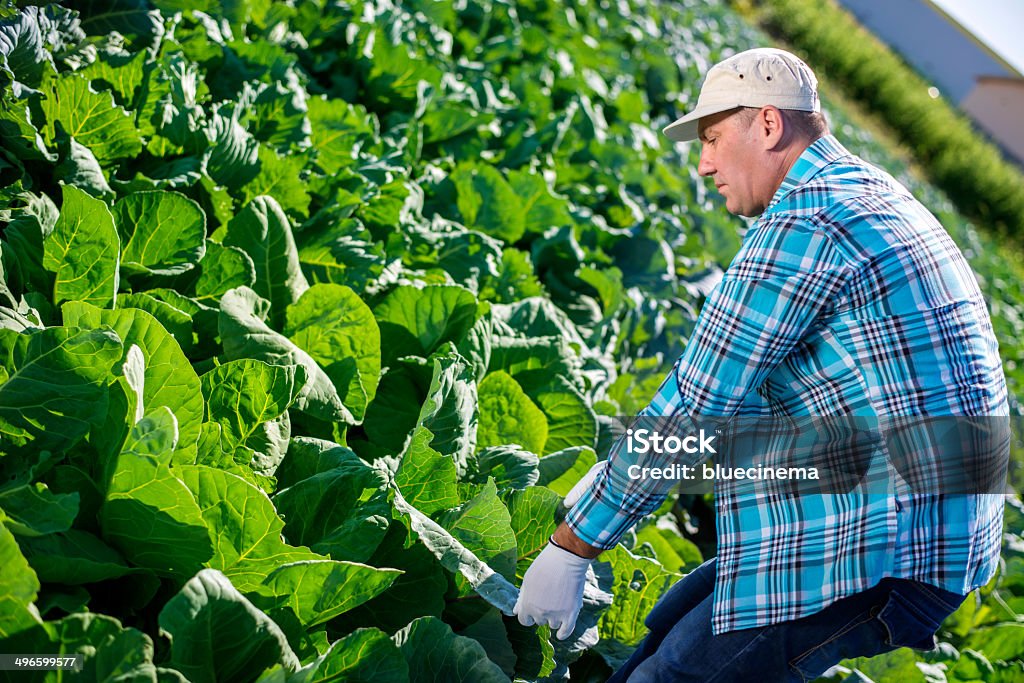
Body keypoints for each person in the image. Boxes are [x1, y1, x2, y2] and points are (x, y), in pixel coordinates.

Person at [512, 47, 1009, 681]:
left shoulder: (809, 221)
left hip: (891, 542)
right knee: (670, 623)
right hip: (911, 521)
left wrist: (574, 545)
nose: (703, 163)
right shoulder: (864, 190)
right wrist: (615, 481)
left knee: (671, 675)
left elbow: (698, 404)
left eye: (714, 138)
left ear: (768, 125)